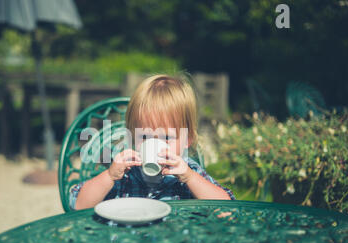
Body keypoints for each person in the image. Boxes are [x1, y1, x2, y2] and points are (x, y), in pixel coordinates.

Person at [70, 74, 235, 210]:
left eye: (167, 138)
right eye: (145, 137)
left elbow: (227, 211)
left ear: (187, 139)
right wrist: (109, 176)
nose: (156, 145)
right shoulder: (125, 173)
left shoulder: (188, 172)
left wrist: (190, 178)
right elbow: (78, 205)